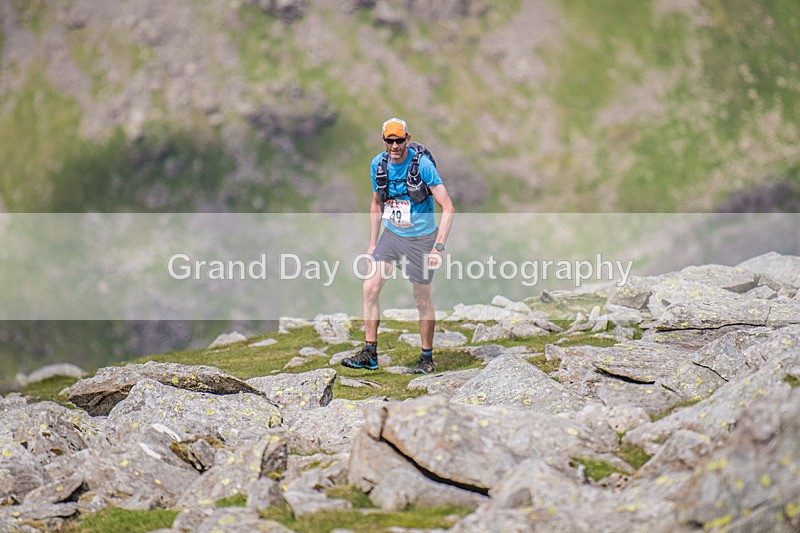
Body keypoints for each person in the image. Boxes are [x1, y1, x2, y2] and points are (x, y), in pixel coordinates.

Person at [342, 117, 455, 374]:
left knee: (421, 299)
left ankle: (426, 357)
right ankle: (370, 352)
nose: (395, 145)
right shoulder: (378, 165)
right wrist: (372, 244)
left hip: (422, 240)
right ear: (383, 140)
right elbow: (376, 204)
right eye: (390, 140)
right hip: (392, 236)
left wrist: (438, 247)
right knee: (370, 286)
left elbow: (448, 207)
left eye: (399, 140)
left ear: (408, 138)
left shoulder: (422, 166)